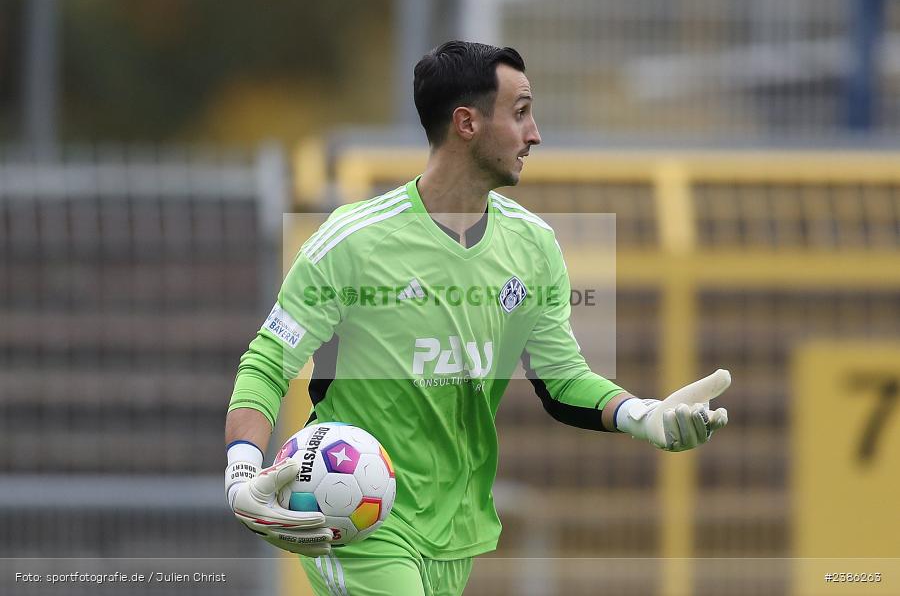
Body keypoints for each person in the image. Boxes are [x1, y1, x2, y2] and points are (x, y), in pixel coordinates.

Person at [224, 40, 729, 596]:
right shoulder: (354, 240)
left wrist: (643, 415)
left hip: (455, 532)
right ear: (467, 123)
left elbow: (561, 381)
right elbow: (269, 362)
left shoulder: (533, 246)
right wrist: (242, 472)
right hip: (357, 523)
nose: (534, 133)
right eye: (520, 113)